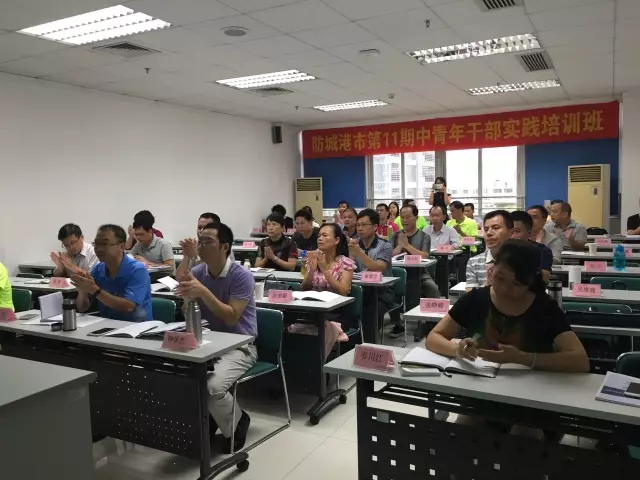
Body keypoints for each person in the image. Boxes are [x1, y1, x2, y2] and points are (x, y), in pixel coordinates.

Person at [426, 239, 589, 373]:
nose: (504, 288)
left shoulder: (544, 306)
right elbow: (434, 337)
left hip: (531, 392)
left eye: (516, 284)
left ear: (531, 281)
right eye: (500, 278)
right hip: (479, 387)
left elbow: (580, 361)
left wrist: (523, 358)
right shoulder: (475, 299)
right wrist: (457, 349)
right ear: (491, 270)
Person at [176, 222, 257, 454]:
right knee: (176, 378)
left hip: (240, 345)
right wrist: (189, 299)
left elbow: (231, 317)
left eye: (208, 242)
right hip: (206, 342)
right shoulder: (198, 272)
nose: (201, 246)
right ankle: (209, 419)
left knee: (211, 387)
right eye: (200, 241)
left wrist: (203, 292)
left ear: (225, 247)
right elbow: (186, 310)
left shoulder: (241, 276)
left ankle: (238, 422)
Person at [73, 224, 153, 322]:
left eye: (104, 244)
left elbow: (128, 307)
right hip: (108, 325)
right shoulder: (98, 269)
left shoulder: (137, 270)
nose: (98, 248)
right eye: (96, 243)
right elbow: (83, 308)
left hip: (137, 327)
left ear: (122, 246)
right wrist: (82, 291)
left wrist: (95, 290)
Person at [297, 223, 355, 356]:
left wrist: (325, 270)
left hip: (336, 313)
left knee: (321, 329)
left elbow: (343, 291)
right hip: (314, 310)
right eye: (319, 236)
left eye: (324, 235)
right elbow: (304, 289)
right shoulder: (313, 260)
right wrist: (312, 270)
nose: (320, 238)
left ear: (336, 240)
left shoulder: (345, 263)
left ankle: (317, 363)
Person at [389, 204, 441, 338]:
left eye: (408, 217)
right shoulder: (395, 235)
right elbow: (388, 255)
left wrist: (407, 246)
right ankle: (398, 323)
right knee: (388, 291)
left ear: (416, 218)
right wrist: (400, 246)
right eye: (402, 217)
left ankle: (428, 323)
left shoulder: (424, 236)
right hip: (399, 274)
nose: (404, 220)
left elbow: (425, 255)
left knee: (433, 288)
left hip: (420, 274)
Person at [348, 209, 394, 343]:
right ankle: (350, 345)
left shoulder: (385, 245)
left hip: (382, 292)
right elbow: (350, 267)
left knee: (370, 312)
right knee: (346, 309)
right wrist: (352, 255)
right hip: (360, 289)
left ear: (374, 227)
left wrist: (359, 253)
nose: (360, 228)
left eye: (363, 225)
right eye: (358, 225)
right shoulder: (354, 244)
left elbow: (379, 267)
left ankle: (368, 345)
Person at [466, 210, 513, 292]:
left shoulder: (521, 261)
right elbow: (470, 295)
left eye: (495, 228)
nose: (489, 233)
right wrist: (488, 288)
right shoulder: (474, 262)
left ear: (511, 233)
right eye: (486, 229)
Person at [510, 211, 553, 282]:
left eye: (517, 231)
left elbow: (544, 277)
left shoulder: (542, 251)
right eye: (510, 232)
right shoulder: (500, 250)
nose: (512, 236)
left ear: (529, 233)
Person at [447, 200, 478, 281]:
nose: (451, 213)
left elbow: (474, 240)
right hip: (452, 251)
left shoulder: (471, 222)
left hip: (467, 251)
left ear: (460, 210)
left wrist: (460, 232)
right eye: (450, 211)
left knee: (461, 265)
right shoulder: (449, 222)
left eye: (452, 211)